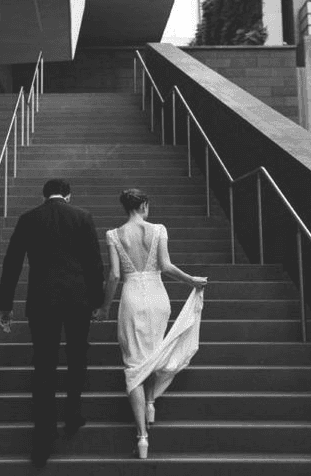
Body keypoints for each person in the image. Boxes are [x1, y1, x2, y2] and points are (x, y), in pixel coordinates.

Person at [0, 178, 105, 467]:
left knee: (43, 365)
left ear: (45, 196)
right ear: (68, 196)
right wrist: (98, 301)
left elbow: (12, 262)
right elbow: (94, 262)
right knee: (77, 355)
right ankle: (72, 414)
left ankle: (43, 439)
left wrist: (5, 305)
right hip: (77, 299)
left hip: (42, 301)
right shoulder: (82, 217)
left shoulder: (29, 218)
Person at [95, 188, 207, 459]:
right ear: (144, 205)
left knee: (134, 363)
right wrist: (191, 280)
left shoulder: (113, 234)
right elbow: (166, 266)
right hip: (158, 297)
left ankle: (142, 437)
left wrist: (105, 306)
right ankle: (151, 402)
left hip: (132, 298)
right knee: (154, 350)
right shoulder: (158, 229)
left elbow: (113, 275)